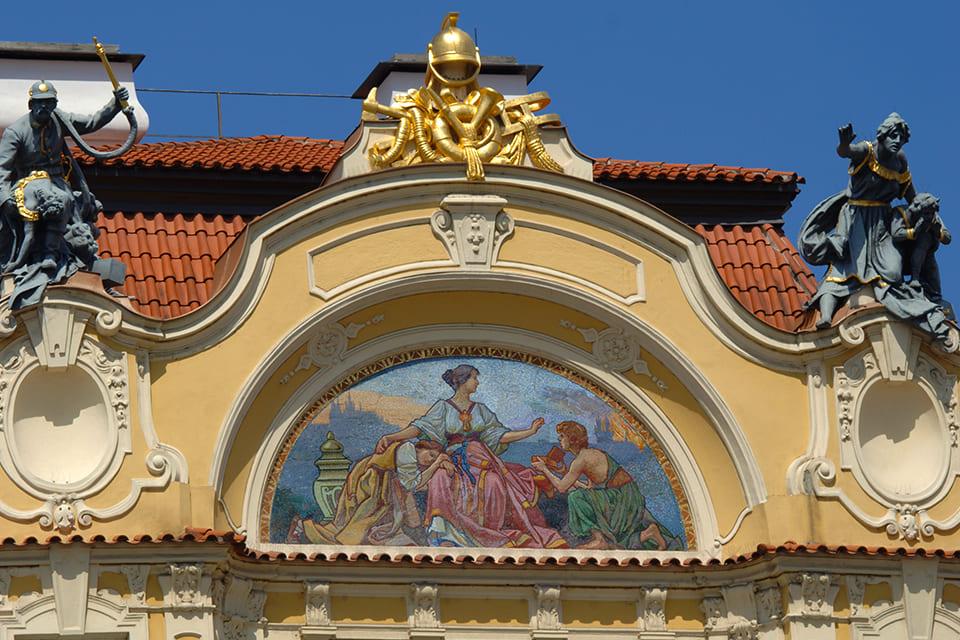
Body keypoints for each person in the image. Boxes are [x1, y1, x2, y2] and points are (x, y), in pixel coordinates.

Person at [375, 364, 566, 548]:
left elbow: (499, 435)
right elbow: (419, 428)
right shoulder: (443, 407)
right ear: (462, 380)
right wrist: (391, 437)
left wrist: (529, 432)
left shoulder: (480, 410)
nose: (477, 382)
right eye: (474, 378)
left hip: (481, 459)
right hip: (453, 459)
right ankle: (442, 532)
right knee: (440, 477)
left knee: (494, 481)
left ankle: (490, 535)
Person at [0, 80, 130, 307]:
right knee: (57, 200)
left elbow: (91, 122)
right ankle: (44, 256)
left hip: (57, 180)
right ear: (31, 104)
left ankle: (56, 255)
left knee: (69, 201)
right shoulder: (16, 132)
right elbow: (2, 169)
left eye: (48, 103)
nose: (43, 108)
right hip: (27, 182)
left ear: (54, 104)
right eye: (39, 104)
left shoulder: (61, 121)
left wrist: (116, 103)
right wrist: (5, 198)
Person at [532, 420, 679, 550]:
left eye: (562, 436)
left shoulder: (582, 459)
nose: (559, 439)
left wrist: (544, 469)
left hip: (621, 498)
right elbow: (590, 490)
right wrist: (564, 473)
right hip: (624, 495)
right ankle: (648, 533)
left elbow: (562, 488)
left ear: (573, 439)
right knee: (583, 499)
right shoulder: (591, 454)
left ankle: (599, 539)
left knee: (575, 497)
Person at [286, 439, 455, 546]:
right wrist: (436, 464)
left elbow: (414, 483)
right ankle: (305, 528)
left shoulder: (407, 458)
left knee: (355, 530)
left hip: (378, 490)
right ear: (421, 446)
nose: (429, 460)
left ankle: (303, 528)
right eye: (430, 454)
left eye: (433, 459)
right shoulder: (408, 449)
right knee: (355, 533)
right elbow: (412, 483)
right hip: (374, 489)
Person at [892, 193, 951, 309]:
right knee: (892, 276)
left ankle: (918, 283)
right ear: (917, 210)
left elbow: (948, 238)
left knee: (935, 292)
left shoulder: (933, 218)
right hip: (901, 253)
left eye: (931, 213)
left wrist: (937, 232)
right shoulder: (902, 213)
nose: (929, 216)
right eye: (926, 213)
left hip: (925, 258)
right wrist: (914, 232)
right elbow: (896, 233)